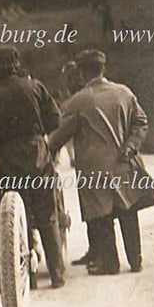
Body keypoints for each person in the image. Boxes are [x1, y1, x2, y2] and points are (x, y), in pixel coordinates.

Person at [47, 50, 154, 274]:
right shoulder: (124, 93)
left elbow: (60, 136)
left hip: (94, 170)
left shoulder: (79, 101)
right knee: (128, 211)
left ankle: (110, 264)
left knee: (102, 215)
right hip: (124, 163)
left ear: (83, 71)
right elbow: (141, 121)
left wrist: (45, 152)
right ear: (102, 69)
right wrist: (131, 145)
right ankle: (136, 261)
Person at [0, 46, 66, 288]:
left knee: (18, 218)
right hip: (38, 156)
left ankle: (30, 278)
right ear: (16, 63)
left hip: (8, 162)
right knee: (47, 216)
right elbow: (55, 119)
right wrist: (37, 134)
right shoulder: (35, 87)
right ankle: (57, 275)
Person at [58, 60, 93, 266]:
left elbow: (67, 131)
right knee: (89, 204)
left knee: (92, 205)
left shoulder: (79, 98)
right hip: (83, 155)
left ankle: (97, 249)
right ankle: (94, 248)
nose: (69, 82)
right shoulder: (76, 97)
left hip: (87, 155)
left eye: (71, 78)